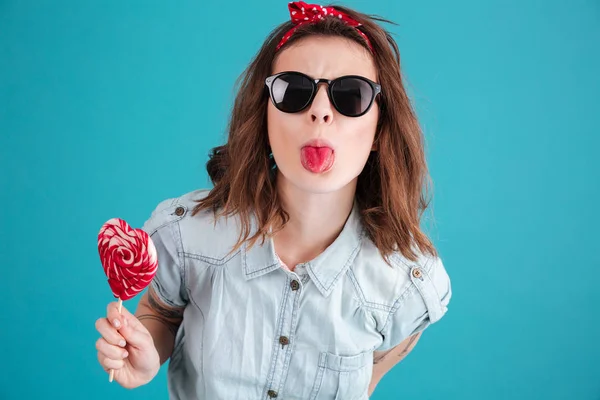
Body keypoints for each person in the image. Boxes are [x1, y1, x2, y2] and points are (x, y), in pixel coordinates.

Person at [94, 2, 452, 399]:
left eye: (350, 96)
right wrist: (144, 353)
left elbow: (384, 356)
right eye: (293, 91)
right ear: (262, 116)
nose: (319, 112)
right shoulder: (186, 234)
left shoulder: (407, 278)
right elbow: (161, 312)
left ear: (379, 129)